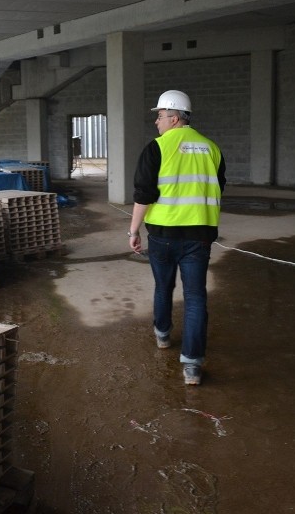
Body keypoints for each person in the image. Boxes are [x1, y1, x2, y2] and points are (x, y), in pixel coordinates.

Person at [128, 90, 226, 385]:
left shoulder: (157, 148)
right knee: (196, 297)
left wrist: (133, 230)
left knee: (163, 286)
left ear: (173, 117)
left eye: (159, 116)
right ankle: (193, 366)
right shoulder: (212, 148)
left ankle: (162, 335)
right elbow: (218, 188)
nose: (156, 122)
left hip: (163, 234)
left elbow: (143, 195)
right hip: (200, 236)